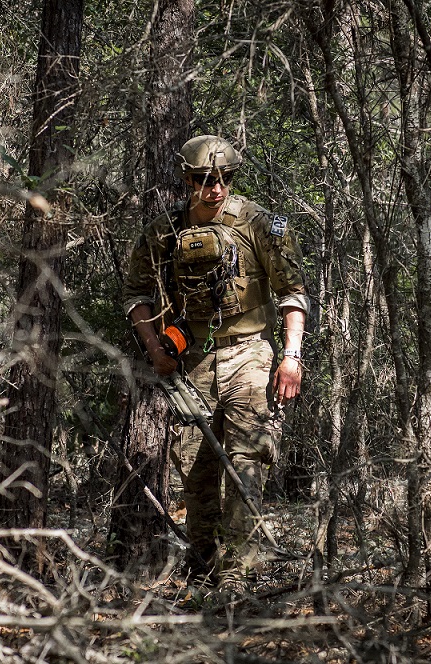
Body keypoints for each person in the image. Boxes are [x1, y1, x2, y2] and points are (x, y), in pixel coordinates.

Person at [121, 134, 309, 586]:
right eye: (205, 180)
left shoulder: (261, 224)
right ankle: (203, 568)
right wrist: (154, 349)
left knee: (247, 463)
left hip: (252, 354)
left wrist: (291, 356)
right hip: (194, 362)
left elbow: (293, 292)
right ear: (187, 179)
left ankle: (238, 576)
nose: (216, 188)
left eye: (225, 179)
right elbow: (134, 293)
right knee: (197, 470)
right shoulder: (165, 229)